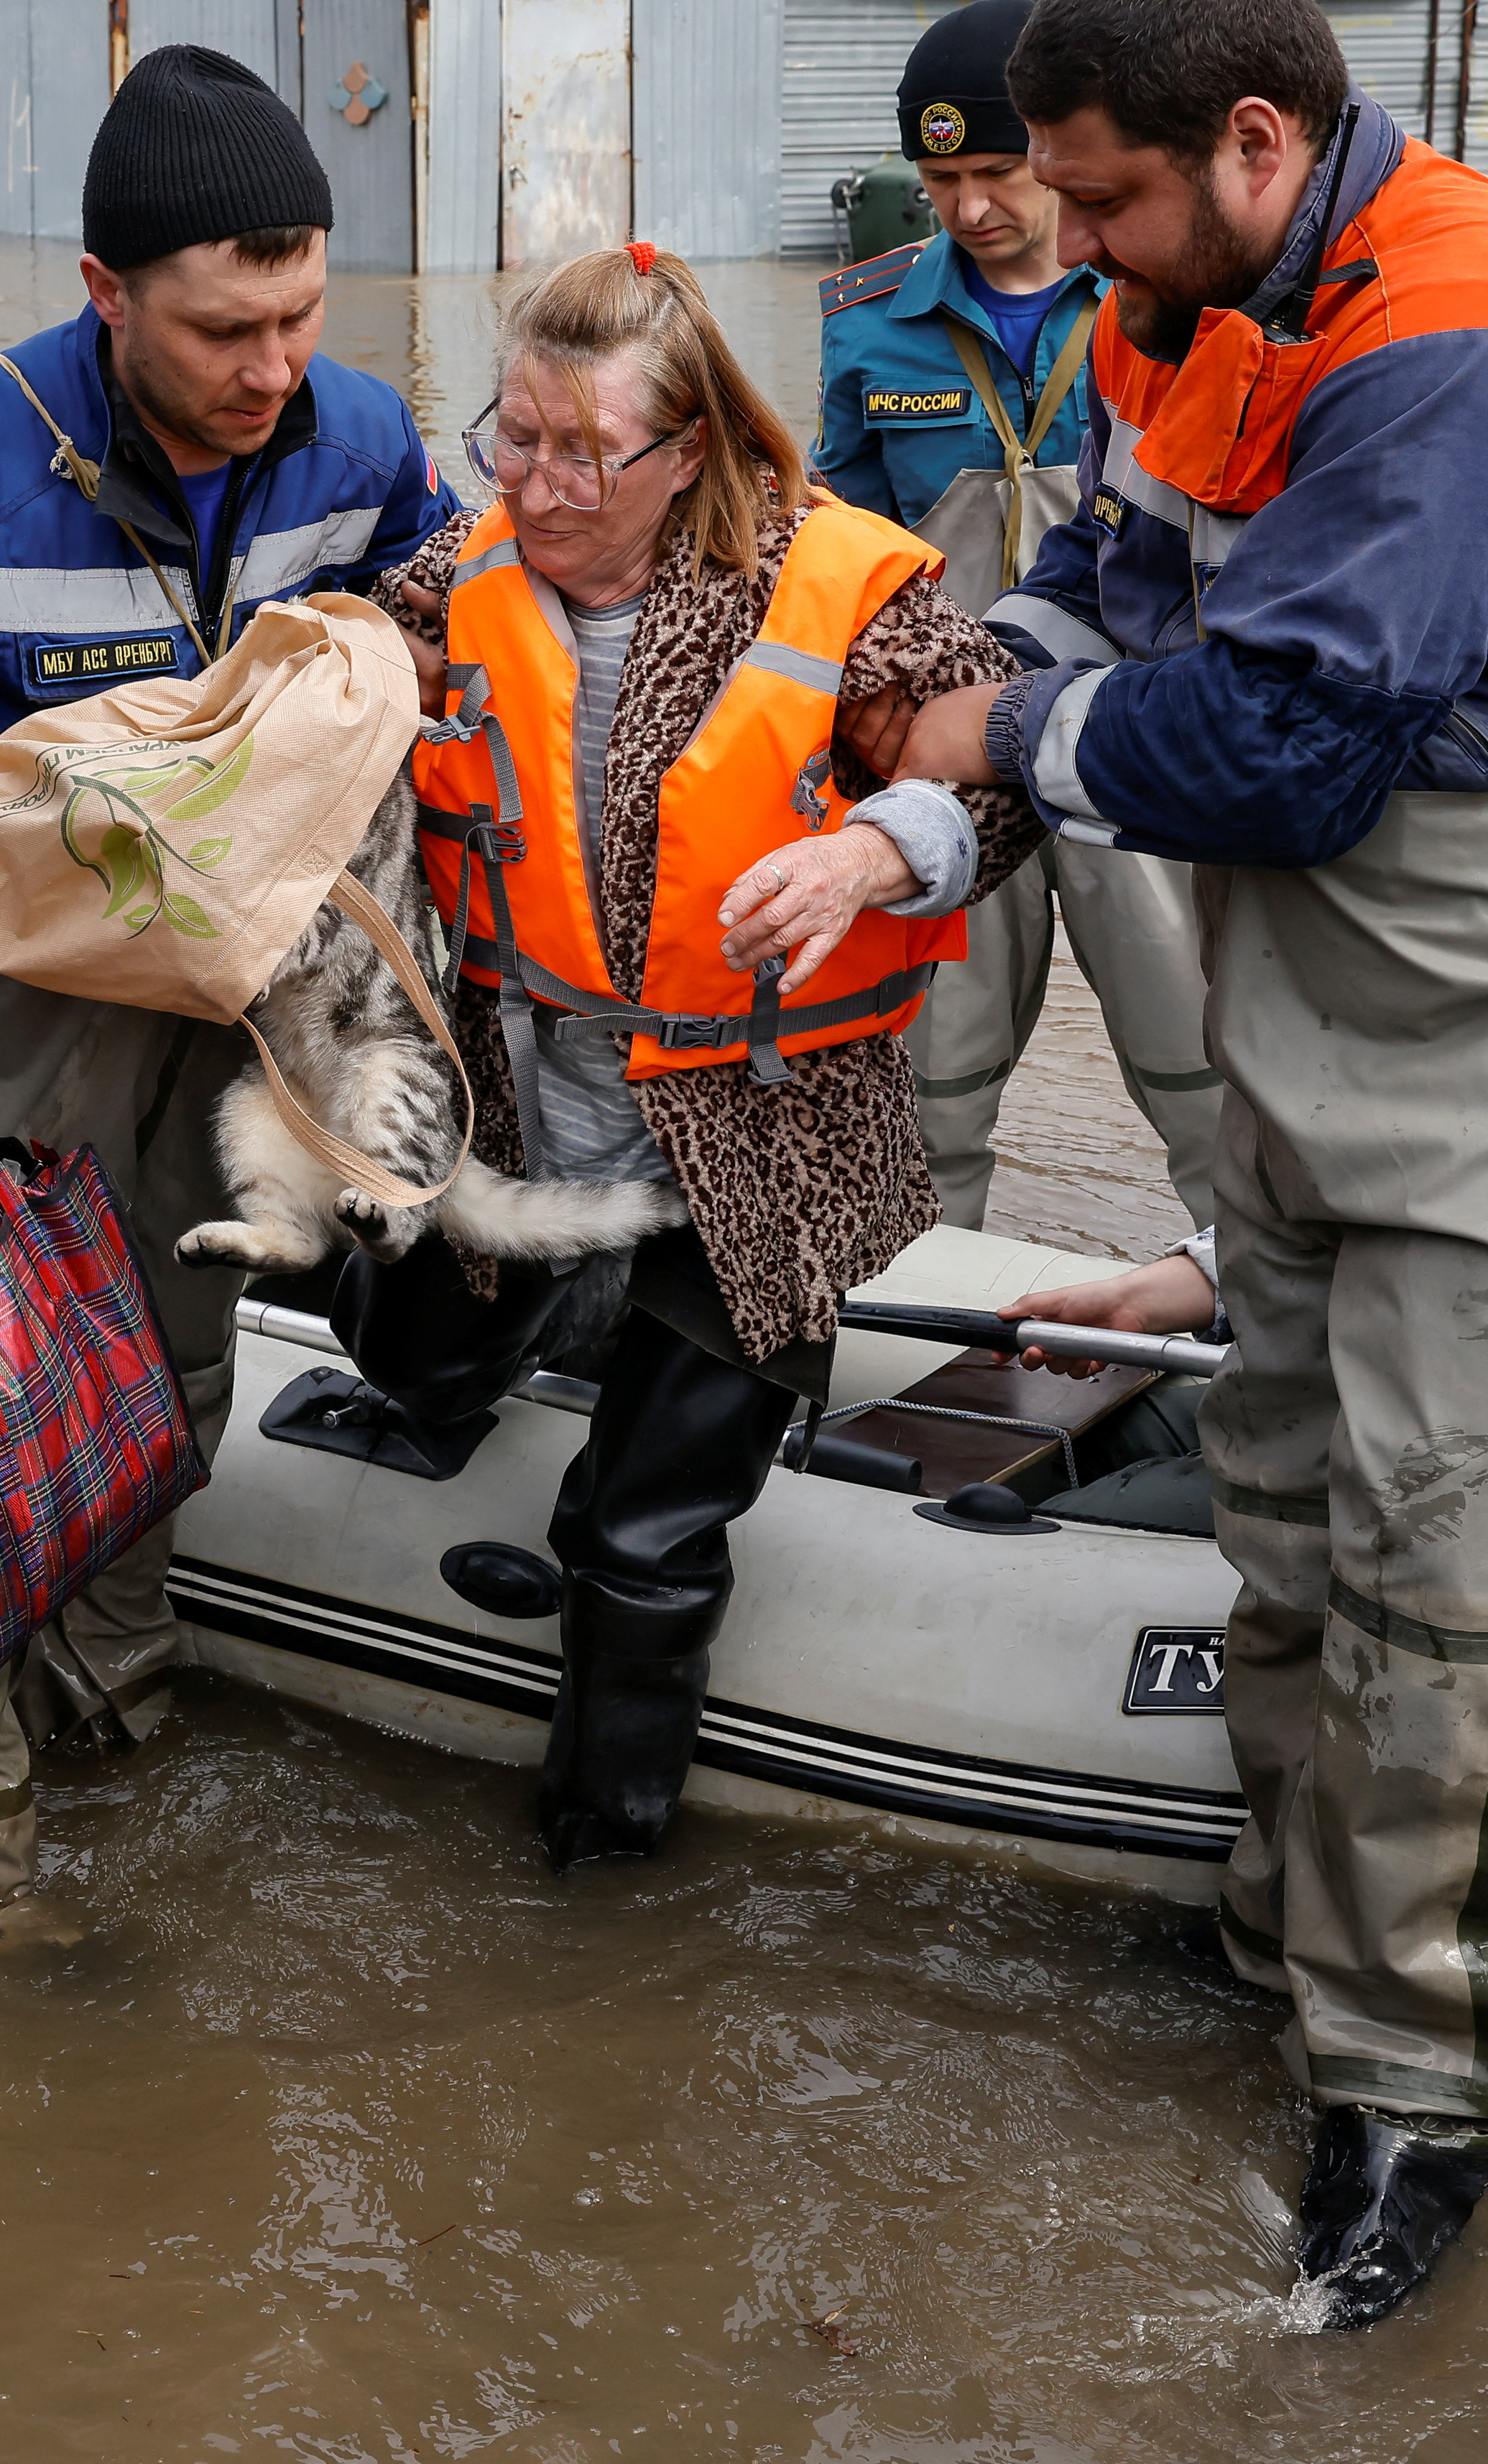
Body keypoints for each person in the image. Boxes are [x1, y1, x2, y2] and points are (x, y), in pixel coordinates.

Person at [897, 0, 1488, 2324]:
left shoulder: (1448, 340)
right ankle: (1287, 1954)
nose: (1066, 248)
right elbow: (1106, 592)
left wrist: (986, 756)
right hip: (1344, 986)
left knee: (1472, 1583)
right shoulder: (1169, 305)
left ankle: (1425, 2095)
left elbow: (1296, 746)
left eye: (1099, 201)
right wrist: (970, 696)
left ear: (1259, 146)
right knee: (1296, 1518)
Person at [0, 44, 465, 1933]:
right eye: (223, 330)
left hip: (199, 1001)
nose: (268, 370)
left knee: (172, 1359)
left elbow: (432, 617)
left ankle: (116, 1727)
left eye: (298, 319)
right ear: (101, 298)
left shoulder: (359, 441)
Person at [339, 240, 1040, 1866]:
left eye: (581, 449)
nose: (535, 477)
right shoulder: (464, 566)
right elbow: (342, 704)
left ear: (689, 449)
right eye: (511, 433)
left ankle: (601, 1855)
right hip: (525, 1100)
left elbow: (1001, 770)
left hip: (755, 1133)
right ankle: (501, 1336)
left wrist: (876, 850)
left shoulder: (836, 585)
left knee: (642, 1527)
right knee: (414, 1354)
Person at [813, 0, 1221, 1230]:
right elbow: (838, 548)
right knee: (933, 1082)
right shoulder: (868, 319)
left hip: (1128, 734)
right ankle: (916, 1343)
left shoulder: (1166, 300)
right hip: (947, 754)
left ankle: (1261, 1326)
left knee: (1206, 1067)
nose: (971, 209)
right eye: (939, 179)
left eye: (997, 170)